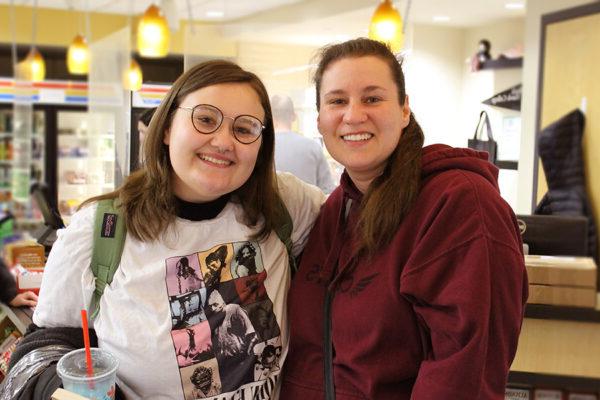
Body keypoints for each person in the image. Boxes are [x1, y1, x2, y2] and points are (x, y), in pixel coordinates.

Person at [8, 60, 325, 400]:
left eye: (245, 129)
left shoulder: (284, 203)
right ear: (167, 128)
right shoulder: (99, 230)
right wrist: (56, 390)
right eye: (205, 119)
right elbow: (42, 346)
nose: (223, 141)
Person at [281, 38, 528, 399]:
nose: (353, 115)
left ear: (404, 110)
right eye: (337, 101)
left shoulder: (458, 203)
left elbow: (464, 373)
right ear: (318, 119)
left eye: (372, 98)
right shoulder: (335, 210)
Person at [271, 94, 335, 194]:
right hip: (311, 209)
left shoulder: (261, 148)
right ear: (294, 116)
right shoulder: (313, 147)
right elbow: (328, 191)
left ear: (270, 117)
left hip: (268, 209)